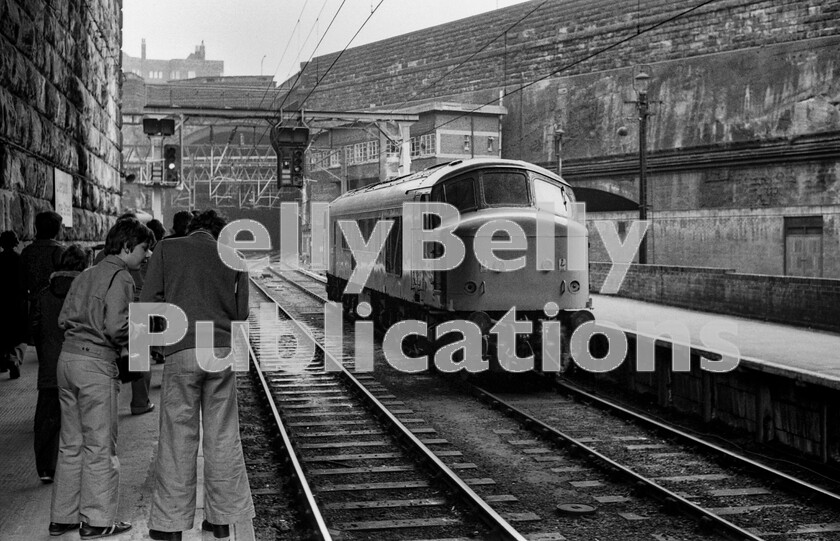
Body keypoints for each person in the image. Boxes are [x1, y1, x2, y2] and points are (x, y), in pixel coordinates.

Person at [142, 209, 254, 541]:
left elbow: (148, 300)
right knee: (222, 437)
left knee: (178, 437)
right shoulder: (234, 256)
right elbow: (242, 312)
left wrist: (157, 344)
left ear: (192, 229)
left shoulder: (166, 248)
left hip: (180, 349)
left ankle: (171, 526)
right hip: (219, 352)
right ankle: (221, 521)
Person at [49, 219, 153, 539]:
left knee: (71, 444)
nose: (147, 255)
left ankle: (62, 517)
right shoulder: (121, 276)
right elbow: (115, 326)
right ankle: (97, 520)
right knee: (100, 445)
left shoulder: (86, 273)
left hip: (66, 362)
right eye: (143, 248)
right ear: (125, 248)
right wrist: (134, 339)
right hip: (95, 364)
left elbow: (63, 317)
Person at [31, 245, 88, 483]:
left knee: (47, 417)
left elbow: (34, 329)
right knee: (84, 418)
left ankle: (46, 468)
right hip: (83, 363)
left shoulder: (44, 294)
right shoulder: (87, 293)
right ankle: (79, 467)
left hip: (50, 367)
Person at [94, 213, 155, 415]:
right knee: (140, 356)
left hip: (110, 305)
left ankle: (111, 395)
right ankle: (140, 402)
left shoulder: (102, 256)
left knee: (112, 352)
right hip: (139, 306)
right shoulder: (147, 255)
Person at [0, 231, 27, 379]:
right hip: (16, 301)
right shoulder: (19, 259)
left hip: (2, 302)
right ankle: (14, 359)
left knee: (3, 333)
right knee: (17, 335)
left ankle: (4, 361)